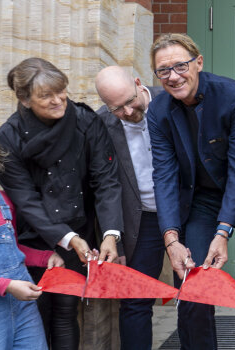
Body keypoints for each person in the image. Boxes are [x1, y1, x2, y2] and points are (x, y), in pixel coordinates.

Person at [0, 57, 123, 349]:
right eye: (46, 96)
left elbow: (105, 180)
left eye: (61, 90)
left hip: (81, 227)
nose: (58, 100)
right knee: (36, 310)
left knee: (67, 310)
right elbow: (24, 199)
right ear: (25, 100)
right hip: (34, 236)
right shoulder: (8, 136)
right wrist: (67, 238)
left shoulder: (85, 120)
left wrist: (110, 234)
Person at [147, 33, 235, 350]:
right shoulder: (158, 111)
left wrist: (223, 232)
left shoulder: (232, 94)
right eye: (163, 70)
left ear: (198, 62)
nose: (172, 76)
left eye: (180, 65)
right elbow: (164, 175)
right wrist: (172, 239)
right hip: (201, 201)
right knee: (194, 287)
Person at [0, 123, 64, 349]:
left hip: (22, 307)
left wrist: (44, 258)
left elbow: (10, 248)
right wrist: (7, 285)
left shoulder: (4, 201)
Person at [94, 66, 165, 350]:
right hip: (140, 221)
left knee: (197, 296)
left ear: (138, 83)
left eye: (129, 101)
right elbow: (103, 184)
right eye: (116, 108)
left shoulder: (169, 102)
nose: (126, 111)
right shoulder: (101, 124)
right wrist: (115, 237)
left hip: (186, 213)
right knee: (135, 301)